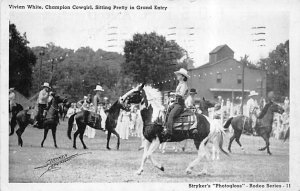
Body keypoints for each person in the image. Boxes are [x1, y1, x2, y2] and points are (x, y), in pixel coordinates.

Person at [163, 68, 189, 140]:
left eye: (179, 75)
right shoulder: (180, 84)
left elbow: (181, 94)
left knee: (171, 115)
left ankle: (169, 133)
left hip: (180, 104)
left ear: (183, 77)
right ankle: (165, 127)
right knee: (166, 112)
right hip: (176, 103)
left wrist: (173, 94)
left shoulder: (184, 85)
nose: (177, 76)